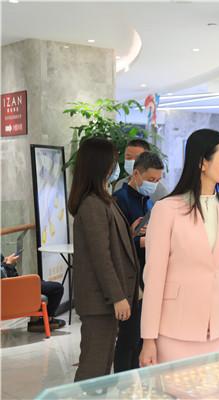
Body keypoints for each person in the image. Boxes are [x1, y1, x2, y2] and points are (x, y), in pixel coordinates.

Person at [139, 129, 219, 366]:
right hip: (176, 329)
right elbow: (154, 277)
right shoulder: (166, 210)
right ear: (202, 162)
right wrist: (148, 338)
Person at [68, 137, 139, 381]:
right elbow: (101, 257)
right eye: (113, 161)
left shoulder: (103, 199)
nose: (116, 167)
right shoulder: (92, 204)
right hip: (99, 301)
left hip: (103, 301)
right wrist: (117, 296)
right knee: (94, 366)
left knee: (102, 364)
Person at [112, 151, 164, 372]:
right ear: (136, 174)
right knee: (129, 337)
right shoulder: (120, 200)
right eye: (151, 179)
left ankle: (137, 379)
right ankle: (124, 382)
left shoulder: (148, 202)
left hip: (146, 275)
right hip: (129, 279)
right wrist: (143, 240)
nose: (154, 184)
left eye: (158, 180)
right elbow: (117, 245)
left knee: (142, 336)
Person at [1, 253, 65, 331]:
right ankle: (47, 320)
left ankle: (36, 321)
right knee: (57, 288)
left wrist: (5, 262)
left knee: (44, 285)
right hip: (14, 290)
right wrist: (8, 264)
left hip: (15, 287)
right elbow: (8, 282)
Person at [115, 139, 168, 203]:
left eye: (138, 158)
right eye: (128, 157)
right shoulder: (120, 185)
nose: (133, 161)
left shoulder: (160, 192)